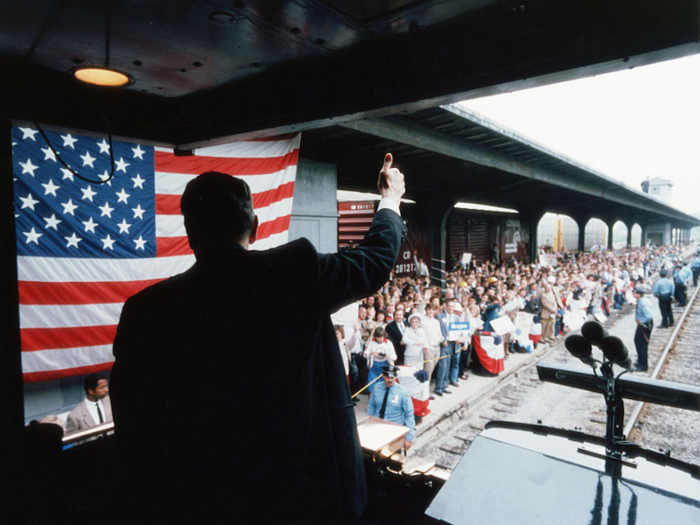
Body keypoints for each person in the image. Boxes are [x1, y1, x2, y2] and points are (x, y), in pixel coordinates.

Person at [110, 154, 406, 522]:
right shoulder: (294, 272)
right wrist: (390, 198)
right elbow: (375, 262)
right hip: (304, 498)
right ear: (254, 226)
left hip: (203, 501)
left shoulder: (146, 310)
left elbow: (134, 427)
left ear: (188, 233)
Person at [367, 365, 415, 451]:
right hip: (377, 428)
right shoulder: (377, 388)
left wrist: (409, 438)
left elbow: (409, 415)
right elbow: (372, 407)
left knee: (393, 458)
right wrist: (368, 425)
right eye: (388, 377)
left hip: (394, 431)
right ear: (383, 376)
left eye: (392, 377)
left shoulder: (403, 392)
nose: (390, 380)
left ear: (396, 377)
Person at [364, 326, 397, 395]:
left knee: (383, 387)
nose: (379, 339)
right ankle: (371, 403)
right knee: (371, 388)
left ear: (384, 336)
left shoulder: (388, 343)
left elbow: (394, 357)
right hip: (374, 366)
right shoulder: (371, 342)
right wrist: (372, 353)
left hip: (384, 366)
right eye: (377, 337)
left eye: (381, 337)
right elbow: (365, 354)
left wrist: (389, 356)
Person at [633, 285, 654, 372]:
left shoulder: (642, 302)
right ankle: (640, 361)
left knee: (642, 345)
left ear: (638, 294)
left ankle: (643, 365)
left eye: (634, 293)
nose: (633, 294)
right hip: (642, 324)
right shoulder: (642, 300)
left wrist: (641, 322)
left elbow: (649, 316)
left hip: (644, 325)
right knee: (637, 341)